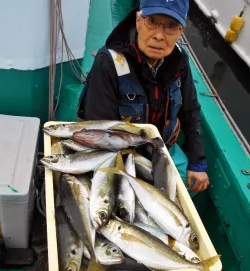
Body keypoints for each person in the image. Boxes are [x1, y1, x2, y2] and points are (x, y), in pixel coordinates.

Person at [77, 0, 209, 194]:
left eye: (170, 26)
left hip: (161, 147)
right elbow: (101, 129)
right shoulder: (109, 61)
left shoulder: (180, 60)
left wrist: (197, 162)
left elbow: (190, 110)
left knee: (191, 185)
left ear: (180, 32)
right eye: (152, 22)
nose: (158, 35)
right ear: (138, 21)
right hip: (119, 152)